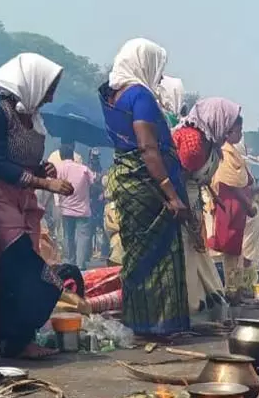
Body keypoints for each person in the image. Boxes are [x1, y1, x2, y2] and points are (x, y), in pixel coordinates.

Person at [0, 53, 80, 358]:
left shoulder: (32, 116)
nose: (50, 96)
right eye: (48, 88)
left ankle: (15, 341)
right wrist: (44, 183)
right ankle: (14, 337)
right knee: (31, 271)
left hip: (24, 197)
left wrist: (42, 169)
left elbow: (26, 159)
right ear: (32, 82)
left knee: (11, 272)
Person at [100, 37, 189, 338]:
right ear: (144, 63)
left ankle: (140, 320)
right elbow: (148, 147)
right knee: (160, 255)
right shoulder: (140, 96)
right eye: (158, 68)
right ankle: (159, 323)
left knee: (137, 253)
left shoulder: (113, 97)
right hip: (148, 185)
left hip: (128, 181)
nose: (160, 76)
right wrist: (172, 194)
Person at [175, 97, 242, 321]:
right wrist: (187, 213)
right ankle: (191, 308)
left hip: (194, 201)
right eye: (230, 126)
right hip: (182, 202)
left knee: (197, 251)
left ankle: (205, 304)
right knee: (188, 253)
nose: (230, 132)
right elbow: (181, 179)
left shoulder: (209, 141)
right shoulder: (193, 142)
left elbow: (200, 178)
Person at [211, 139, 257, 303]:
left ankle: (236, 288)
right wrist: (248, 204)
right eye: (237, 129)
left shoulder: (236, 154)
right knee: (230, 248)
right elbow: (232, 185)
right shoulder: (226, 152)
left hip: (239, 207)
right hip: (228, 205)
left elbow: (247, 181)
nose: (239, 134)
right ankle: (231, 290)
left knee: (237, 249)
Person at [53, 141, 96, 269]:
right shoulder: (83, 169)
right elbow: (93, 183)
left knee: (68, 237)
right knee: (82, 237)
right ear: (72, 155)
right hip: (83, 209)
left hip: (66, 210)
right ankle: (81, 265)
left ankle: (69, 264)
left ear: (61, 156)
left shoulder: (58, 169)